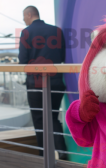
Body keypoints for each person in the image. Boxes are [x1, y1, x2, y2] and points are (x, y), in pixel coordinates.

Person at [18, 5, 67, 159]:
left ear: (29, 14)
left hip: (36, 83)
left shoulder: (26, 33)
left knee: (39, 121)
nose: (23, 20)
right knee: (53, 117)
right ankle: (63, 154)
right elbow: (62, 56)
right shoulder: (56, 31)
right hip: (56, 81)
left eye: (24, 16)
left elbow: (23, 61)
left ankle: (43, 158)